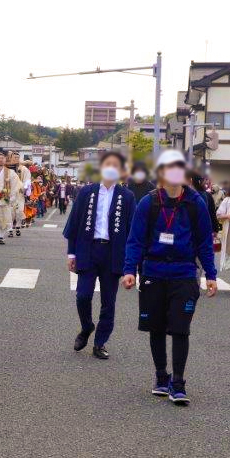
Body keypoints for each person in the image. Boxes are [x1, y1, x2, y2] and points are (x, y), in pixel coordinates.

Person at [122, 150, 217, 405]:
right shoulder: (149, 203)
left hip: (184, 273)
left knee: (180, 329)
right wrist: (130, 270)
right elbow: (135, 240)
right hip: (153, 271)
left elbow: (204, 242)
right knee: (155, 328)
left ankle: (178, 382)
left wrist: (211, 274)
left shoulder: (195, 203)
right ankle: (161, 377)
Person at [63, 151, 135, 360]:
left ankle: (100, 342)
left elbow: (133, 231)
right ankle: (87, 327)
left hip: (113, 252)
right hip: (89, 249)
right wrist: (71, 253)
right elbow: (74, 224)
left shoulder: (127, 196)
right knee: (83, 295)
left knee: (108, 301)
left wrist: (131, 264)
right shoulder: (87, 192)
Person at [0, 151, 22, 245]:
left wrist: (12, 197)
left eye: (2, 158)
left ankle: (1, 237)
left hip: (5, 199)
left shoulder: (11, 172)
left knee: (3, 219)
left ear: (5, 160)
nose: (0, 160)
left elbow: (15, 185)